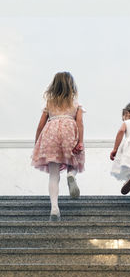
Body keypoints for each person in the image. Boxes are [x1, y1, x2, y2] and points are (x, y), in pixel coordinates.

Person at [31, 72, 85, 221]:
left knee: (53, 175)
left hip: (51, 135)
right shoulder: (76, 104)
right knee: (74, 162)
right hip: (69, 132)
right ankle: (71, 175)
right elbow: (80, 123)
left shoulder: (50, 103)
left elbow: (40, 125)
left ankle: (54, 208)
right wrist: (80, 141)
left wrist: (37, 144)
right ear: (71, 85)